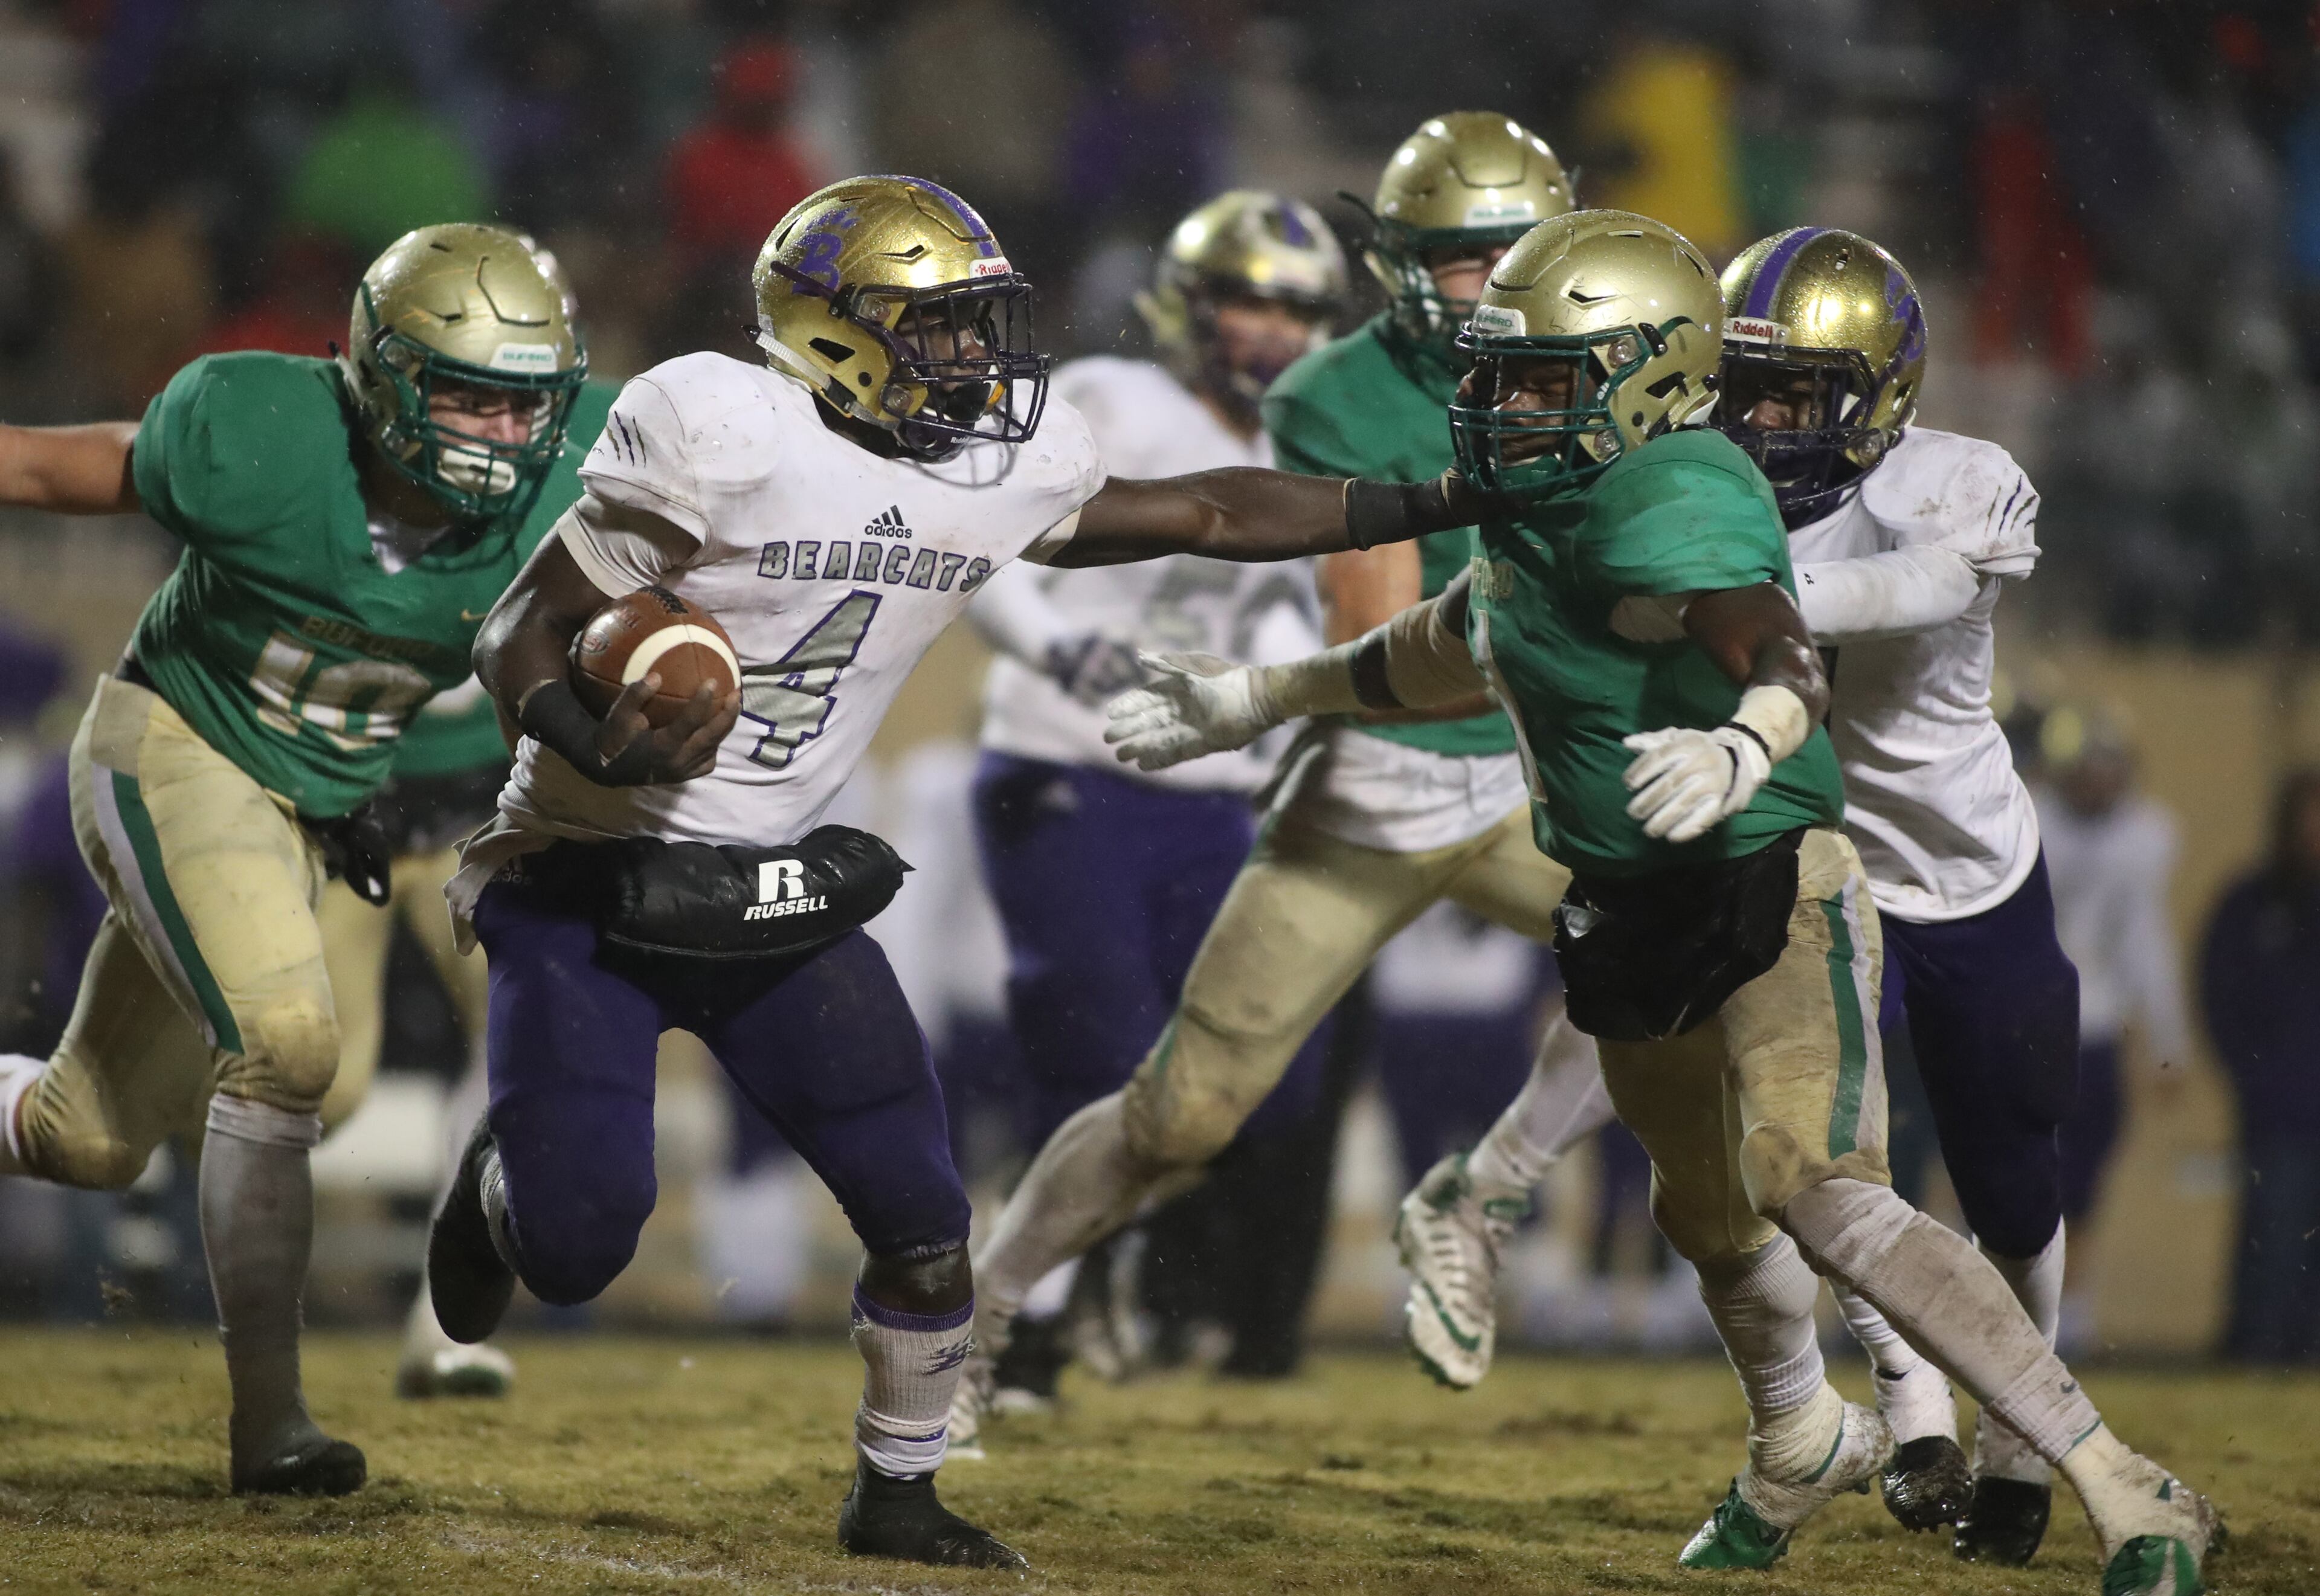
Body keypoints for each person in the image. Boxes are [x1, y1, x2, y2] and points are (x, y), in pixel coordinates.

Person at [1107, 208, 2218, 1595]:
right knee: (1708, 1222)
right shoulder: (1549, 487)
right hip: (1630, 896)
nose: (1496, 403)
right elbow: (1452, 641)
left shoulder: (1679, 491)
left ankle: (2110, 1476)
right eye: (1495, 372)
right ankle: (1797, 1441)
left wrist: (1748, 732)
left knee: (1817, 1184)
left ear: (1640, 377)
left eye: (1536, 374)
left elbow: (1778, 636)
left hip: (1773, 866)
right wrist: (1247, 696)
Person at [432, 173, 1495, 1570]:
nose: (974, 360)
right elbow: (521, 630)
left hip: (770, 885)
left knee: (926, 1221)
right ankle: (503, 1175)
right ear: (830, 332)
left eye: (978, 325)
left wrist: (1429, 495)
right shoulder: (720, 426)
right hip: (583, 869)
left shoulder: (991, 465)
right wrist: (597, 741)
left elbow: (1208, 512)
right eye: (934, 329)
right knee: (574, 1247)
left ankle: (898, 1488)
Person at [1390, 226, 2082, 1565]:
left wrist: (1688, 587)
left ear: (1879, 401)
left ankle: (2017, 1439)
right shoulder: (1672, 477)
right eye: (1739, 387)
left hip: (1958, 869)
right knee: (1811, 1162)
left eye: (1795, 397)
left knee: (2011, 1171)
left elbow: (1917, 583)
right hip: (1782, 844)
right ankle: (1911, 1401)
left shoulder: (1954, 482)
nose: (1760, 423)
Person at [949, 112, 1612, 1448]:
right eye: (1453, 258)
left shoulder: (1630, 370)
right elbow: (1392, 654)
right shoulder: (1332, 396)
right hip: (1381, 777)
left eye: (1504, 254)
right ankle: (983, 1320)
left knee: (1731, 949)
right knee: (1177, 1110)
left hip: (1526, 769)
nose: (1482, 287)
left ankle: (1495, 1196)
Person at [0, 224, 596, 1495]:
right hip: (177, 748)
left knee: (85, 1135)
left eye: (525, 404)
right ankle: (271, 1427)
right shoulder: (260, 431)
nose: (502, 434)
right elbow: (66, 468)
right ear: (382, 378)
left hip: (321, 804)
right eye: (471, 396)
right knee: (292, 1047)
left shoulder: (586, 468)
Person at [963, 189, 1341, 1401]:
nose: (1274, 329)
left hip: (1211, 797)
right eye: (1251, 298)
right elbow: (981, 547)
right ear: (1188, 303)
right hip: (1070, 764)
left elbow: (1290, 609)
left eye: (1299, 308)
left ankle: (1096, 1275)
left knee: (1231, 1083)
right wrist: (1051, 649)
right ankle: (1021, 1321)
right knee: (1097, 1055)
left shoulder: (1302, 445)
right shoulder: (1110, 403)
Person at [2201, 767, 2320, 1363]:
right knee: (2272, 1236)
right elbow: (2220, 994)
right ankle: (2258, 1352)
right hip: (2279, 1111)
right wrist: (2257, 1075)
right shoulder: (2253, 903)